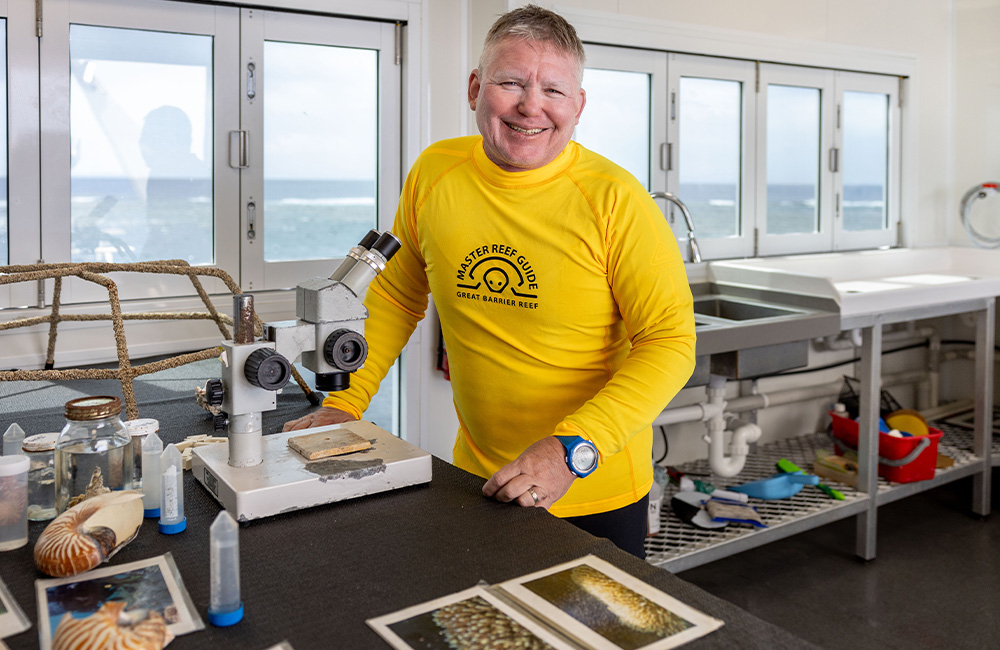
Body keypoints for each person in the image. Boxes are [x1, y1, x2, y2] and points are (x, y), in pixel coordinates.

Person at [283, 4, 695, 558]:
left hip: (592, 486)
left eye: (554, 90)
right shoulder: (435, 172)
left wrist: (573, 449)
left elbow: (669, 344)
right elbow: (399, 298)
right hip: (476, 475)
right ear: (475, 87)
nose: (531, 106)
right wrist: (345, 403)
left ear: (579, 105)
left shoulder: (617, 201)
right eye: (510, 82)